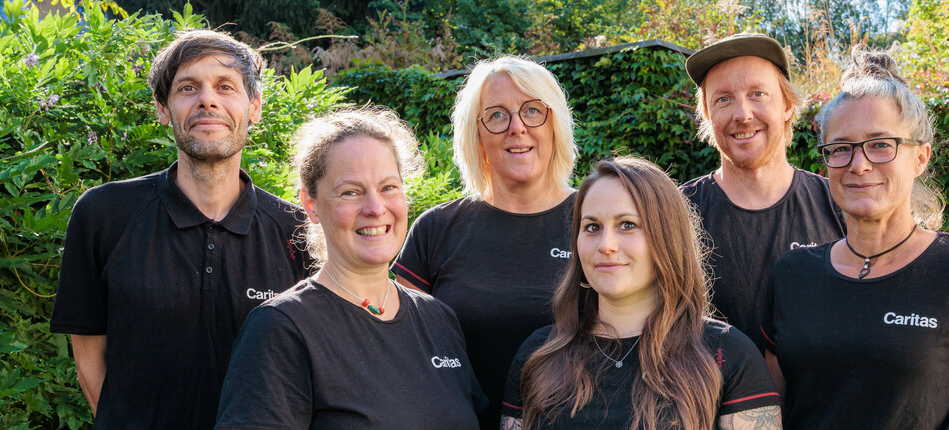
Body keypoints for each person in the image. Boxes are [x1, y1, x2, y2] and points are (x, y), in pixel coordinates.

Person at [761, 47, 949, 429]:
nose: (859, 164)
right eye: (841, 148)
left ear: (920, 157)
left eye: (881, 144)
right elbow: (768, 415)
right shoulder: (792, 276)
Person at [50, 30, 312, 429]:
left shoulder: (298, 232)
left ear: (254, 107)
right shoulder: (103, 215)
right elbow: (88, 349)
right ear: (163, 108)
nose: (208, 100)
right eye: (188, 87)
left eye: (226, 87)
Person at [215, 107, 486, 429]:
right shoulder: (282, 329)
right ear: (311, 205)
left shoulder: (439, 319)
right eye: (351, 192)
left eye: (388, 187)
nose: (375, 208)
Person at [501, 157, 782, 430]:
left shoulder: (725, 354)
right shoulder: (538, 356)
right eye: (592, 227)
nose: (606, 245)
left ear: (667, 238)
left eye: (627, 225)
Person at [392, 56, 577, 429]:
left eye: (532, 111)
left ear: (555, 123)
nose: (517, 128)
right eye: (496, 115)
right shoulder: (437, 229)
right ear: (475, 135)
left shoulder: (594, 222)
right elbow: (399, 349)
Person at [681, 33, 846, 353]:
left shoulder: (839, 205)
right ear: (708, 115)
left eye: (758, 94)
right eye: (723, 99)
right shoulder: (675, 214)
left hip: (820, 405)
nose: (742, 114)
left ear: (786, 105)